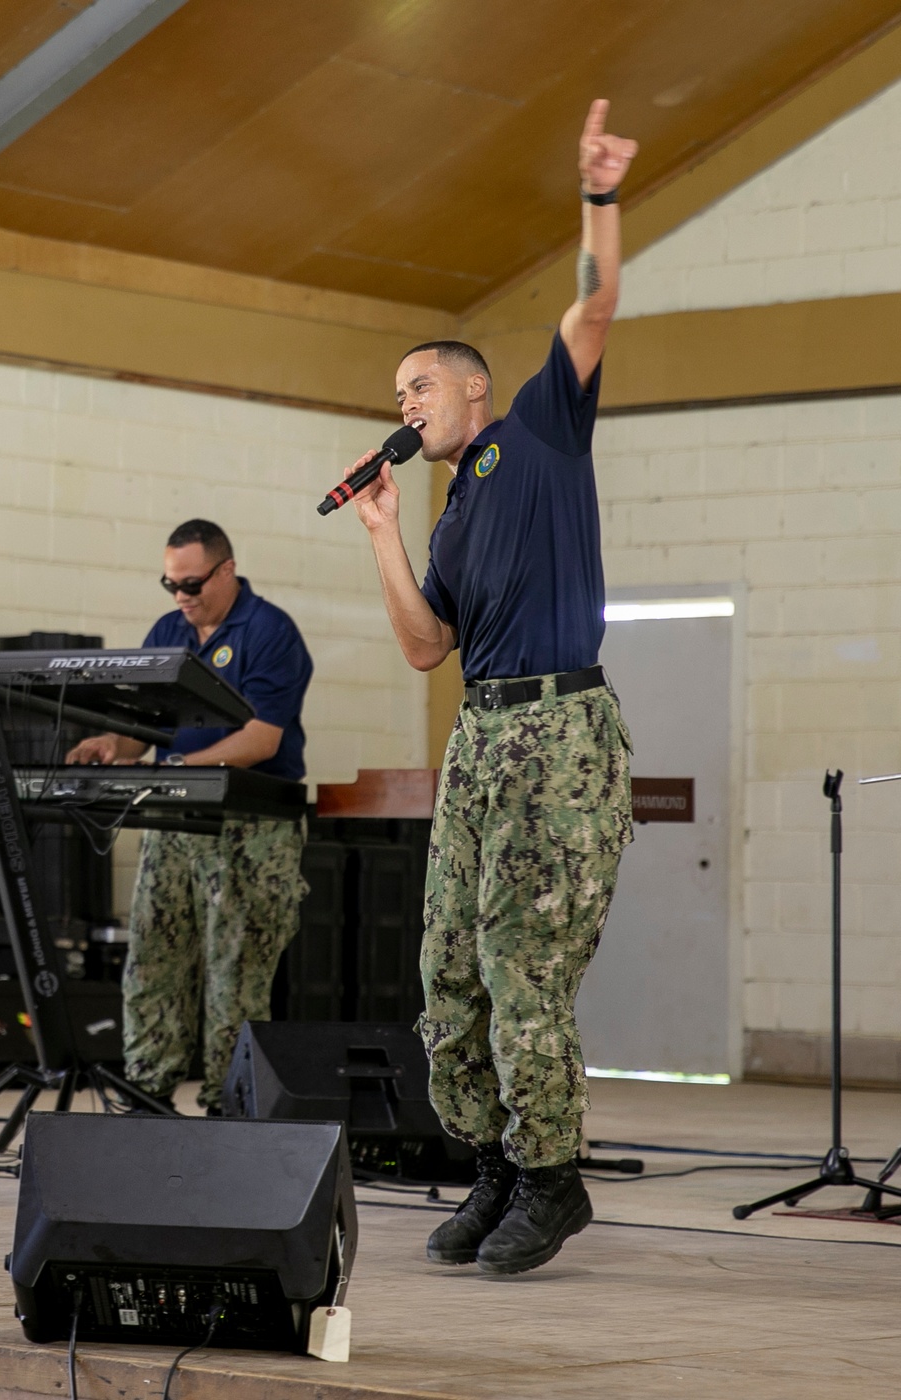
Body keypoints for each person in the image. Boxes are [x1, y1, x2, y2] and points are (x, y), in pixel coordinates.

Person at [345, 100, 638, 1275]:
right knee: (449, 970)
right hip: (480, 735)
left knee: (525, 962)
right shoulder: (454, 508)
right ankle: (497, 1162)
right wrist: (380, 532)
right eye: (397, 390)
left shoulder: (540, 431)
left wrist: (599, 196)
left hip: (560, 732)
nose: (403, 402)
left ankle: (553, 1176)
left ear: (471, 393)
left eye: (418, 385)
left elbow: (596, 302)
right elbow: (426, 647)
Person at [67, 519, 312, 1114]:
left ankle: (228, 1102)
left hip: (252, 825)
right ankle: (146, 1088)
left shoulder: (271, 631)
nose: (181, 595)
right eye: (170, 583)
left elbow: (260, 738)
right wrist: (111, 746)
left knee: (235, 971)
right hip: (173, 821)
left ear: (227, 570)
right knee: (153, 954)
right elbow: (144, 730)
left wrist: (178, 765)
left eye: (193, 582)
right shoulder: (167, 630)